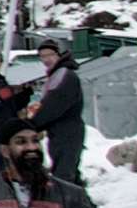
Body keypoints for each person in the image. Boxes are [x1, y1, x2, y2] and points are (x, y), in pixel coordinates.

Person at [22, 40, 88, 189]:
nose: (46, 59)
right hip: (60, 131)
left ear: (59, 55)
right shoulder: (57, 74)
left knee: (63, 175)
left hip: (67, 131)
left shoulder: (64, 75)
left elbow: (54, 106)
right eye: (42, 56)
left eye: (50, 55)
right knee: (69, 173)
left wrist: (32, 124)